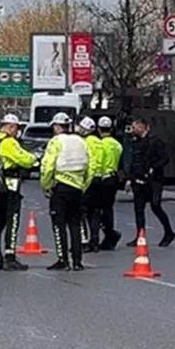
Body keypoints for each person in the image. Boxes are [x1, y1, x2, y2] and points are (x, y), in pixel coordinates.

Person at [0, 114, 37, 271]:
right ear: (11, 127)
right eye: (16, 128)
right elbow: (24, 159)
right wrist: (34, 158)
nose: (17, 131)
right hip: (9, 186)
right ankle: (10, 258)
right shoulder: (8, 142)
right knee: (12, 221)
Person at [40, 113, 92, 271]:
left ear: (57, 127)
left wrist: (46, 186)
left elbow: (48, 166)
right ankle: (77, 262)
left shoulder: (56, 141)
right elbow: (90, 167)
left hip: (60, 188)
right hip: (77, 189)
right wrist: (83, 186)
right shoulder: (81, 141)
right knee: (75, 225)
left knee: (59, 225)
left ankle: (63, 260)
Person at [127, 117, 175, 246]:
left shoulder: (155, 142)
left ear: (142, 127)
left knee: (155, 205)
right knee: (139, 209)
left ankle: (169, 232)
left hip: (154, 180)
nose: (132, 130)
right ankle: (140, 236)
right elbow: (134, 162)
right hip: (138, 180)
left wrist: (154, 168)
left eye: (134, 127)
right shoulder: (135, 143)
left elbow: (165, 158)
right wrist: (130, 179)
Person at [95, 116, 125, 251]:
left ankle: (108, 234)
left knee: (97, 209)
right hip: (113, 178)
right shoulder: (117, 145)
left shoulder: (100, 144)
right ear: (111, 129)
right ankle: (109, 235)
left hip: (102, 178)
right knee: (108, 208)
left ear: (98, 129)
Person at [76, 117, 103, 253]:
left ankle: (84, 241)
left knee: (81, 212)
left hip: (88, 179)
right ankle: (95, 241)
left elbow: (85, 162)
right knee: (95, 212)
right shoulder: (99, 142)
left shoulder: (83, 142)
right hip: (100, 180)